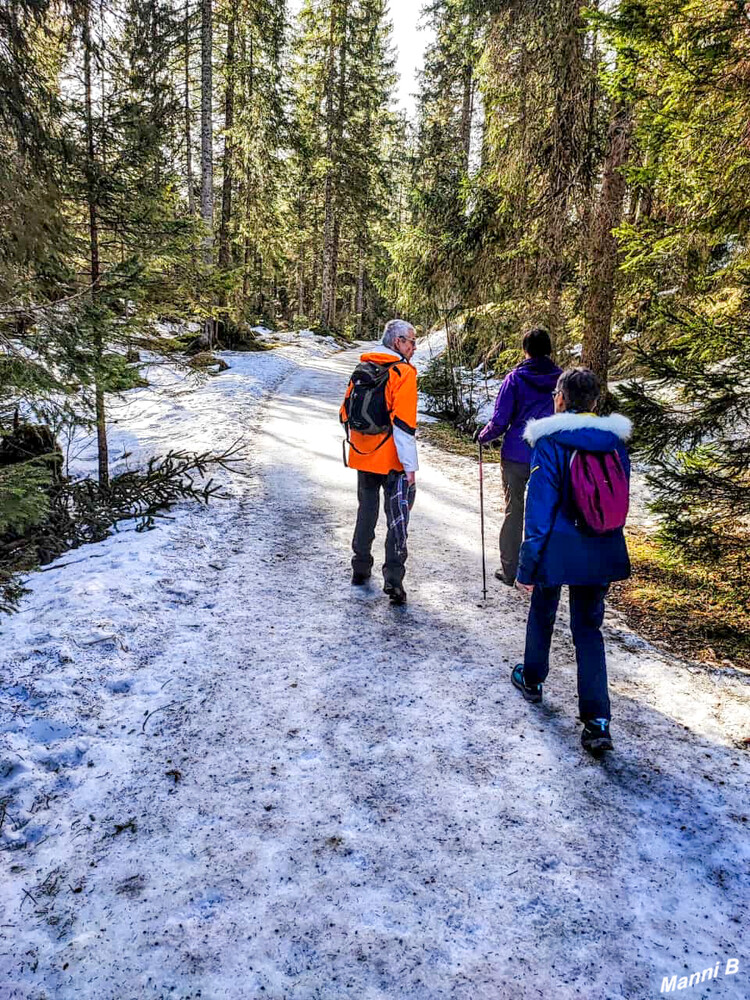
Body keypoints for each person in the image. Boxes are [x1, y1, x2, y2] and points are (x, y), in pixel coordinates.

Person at [510, 367, 632, 754]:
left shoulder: (550, 442)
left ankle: (532, 678)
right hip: (600, 545)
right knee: (588, 630)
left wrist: (526, 565)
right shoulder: (614, 442)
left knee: (543, 611)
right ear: (595, 402)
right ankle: (597, 721)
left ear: (560, 398)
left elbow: (539, 509)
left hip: (556, 549)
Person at [339, 319, 418, 605]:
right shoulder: (403, 373)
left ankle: (360, 569)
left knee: (366, 511)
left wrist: (361, 444)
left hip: (362, 454)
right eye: (411, 341)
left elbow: (345, 412)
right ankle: (394, 580)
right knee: (397, 518)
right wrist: (410, 468)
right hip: (393, 459)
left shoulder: (362, 368)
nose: (414, 346)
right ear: (397, 342)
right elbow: (405, 426)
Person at [475, 328, 561, 586]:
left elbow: (500, 420)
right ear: (549, 350)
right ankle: (535, 571)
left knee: (514, 511)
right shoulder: (561, 381)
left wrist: (483, 436)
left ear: (525, 350)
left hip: (515, 455)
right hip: (547, 456)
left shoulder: (514, 379)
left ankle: (510, 570)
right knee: (543, 512)